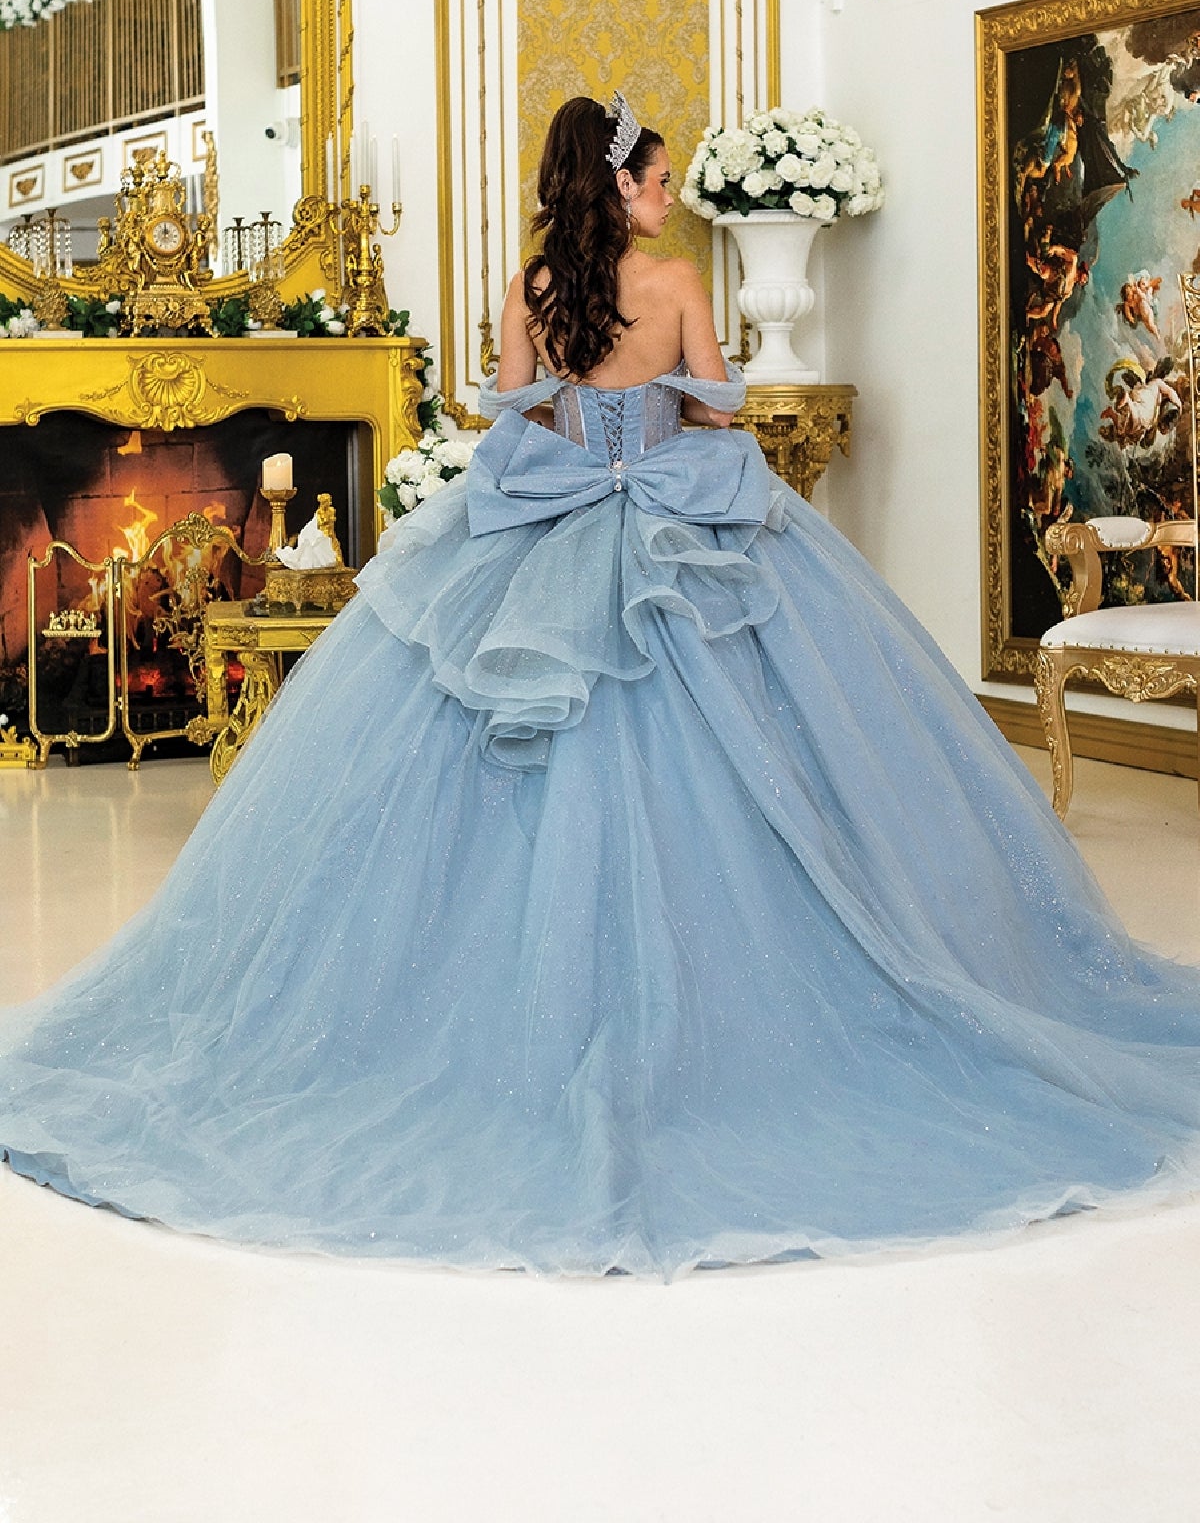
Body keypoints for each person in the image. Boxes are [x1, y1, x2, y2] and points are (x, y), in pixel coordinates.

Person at [2, 92, 1199, 1280]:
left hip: (546, 532)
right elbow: (709, 407)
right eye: (662, 179)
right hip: (681, 531)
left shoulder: (530, 289)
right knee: (756, 759)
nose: (672, 196)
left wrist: (587, 436)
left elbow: (509, 418)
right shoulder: (675, 284)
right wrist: (654, 422)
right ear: (621, 187)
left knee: (494, 750)